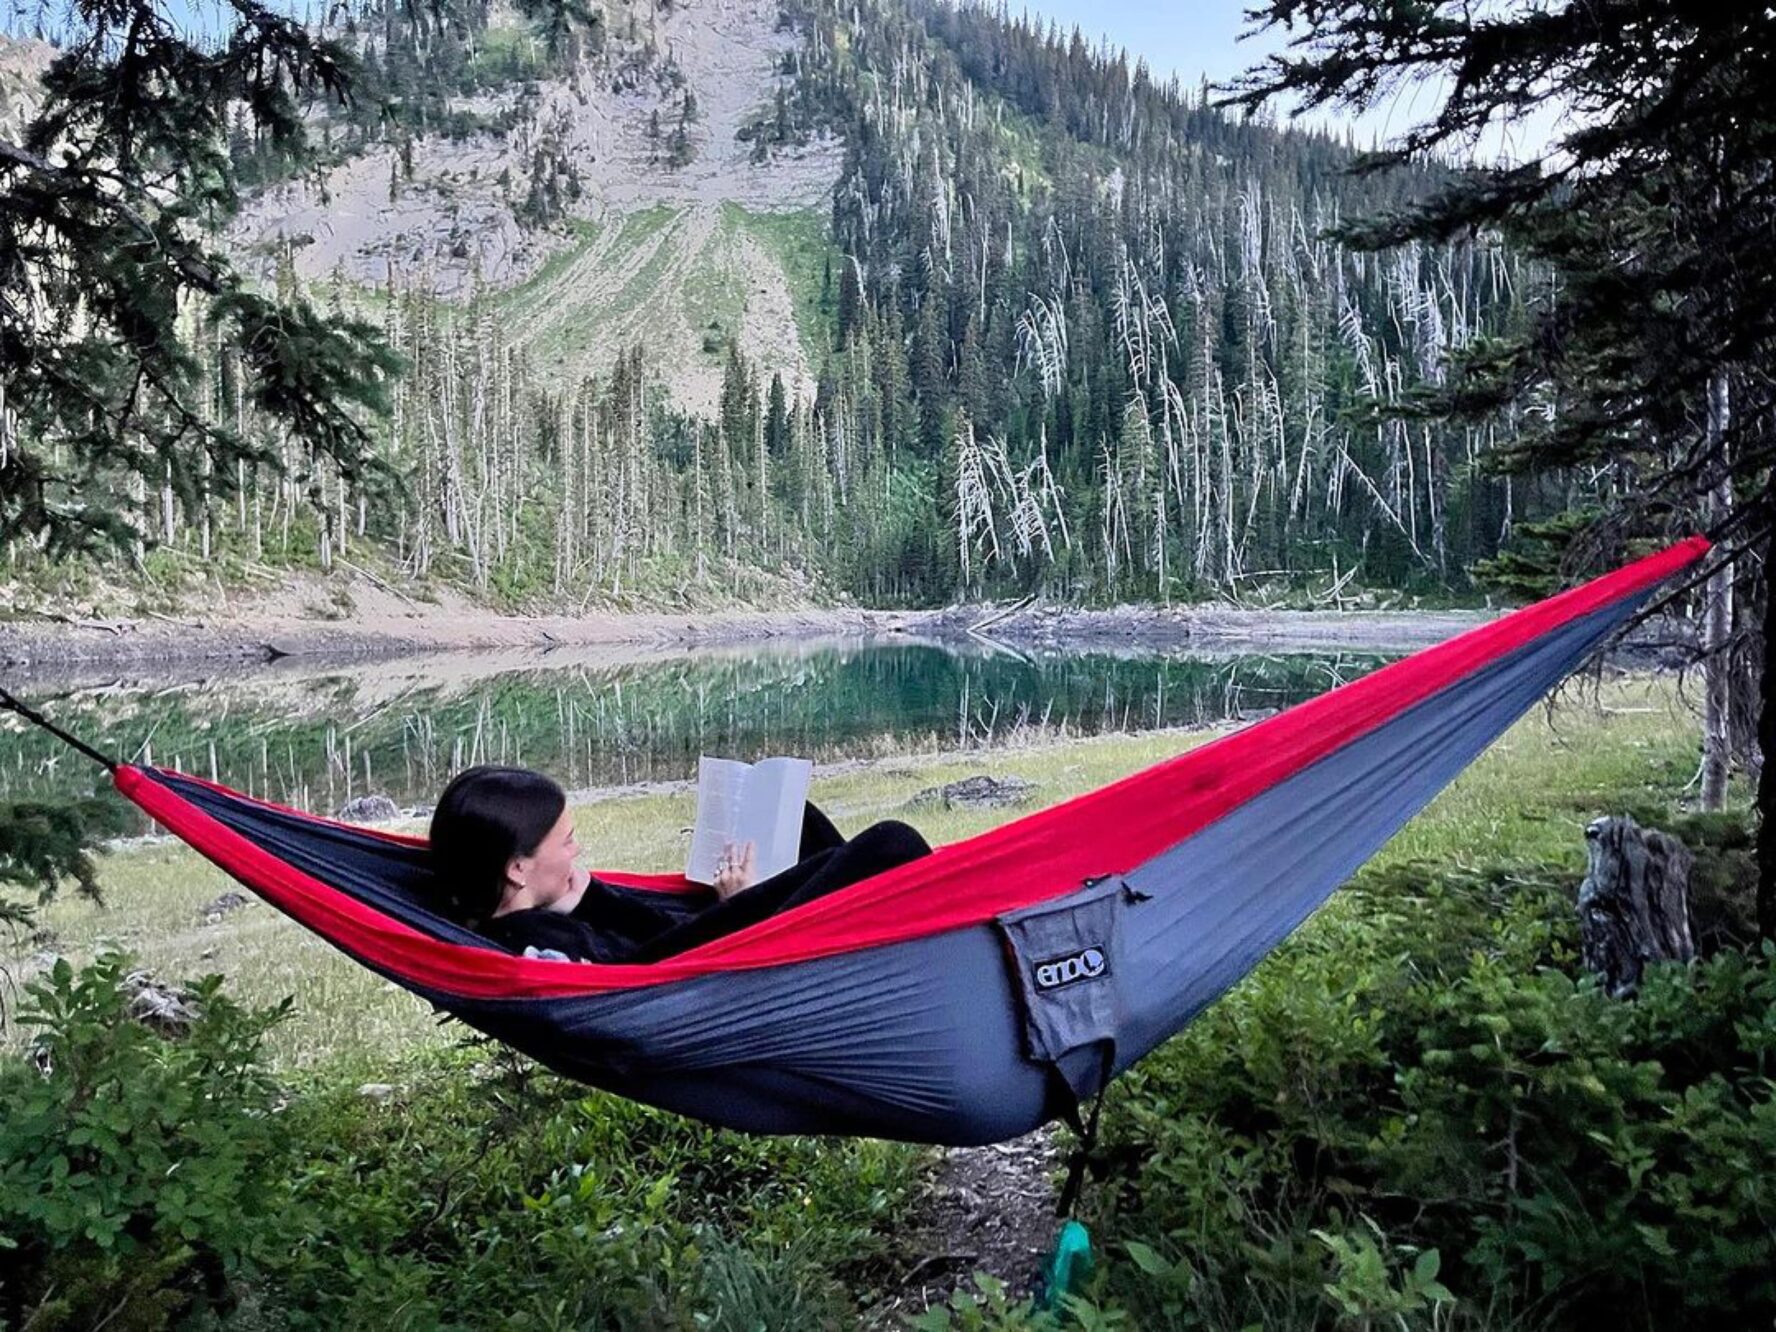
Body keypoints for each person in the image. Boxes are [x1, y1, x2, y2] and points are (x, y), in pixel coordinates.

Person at [426, 765, 930, 964]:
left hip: (707, 942)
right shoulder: (533, 944)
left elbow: (657, 937)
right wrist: (742, 907)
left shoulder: (534, 916)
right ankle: (898, 944)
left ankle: (869, 924)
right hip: (737, 964)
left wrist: (591, 898)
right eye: (567, 840)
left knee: (794, 814)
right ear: (517, 868)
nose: (577, 851)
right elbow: (648, 975)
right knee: (892, 843)